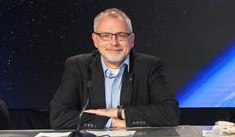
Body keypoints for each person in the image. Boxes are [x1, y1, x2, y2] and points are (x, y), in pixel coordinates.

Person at [50, 8, 179, 129]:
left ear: (132, 40)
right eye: (106, 35)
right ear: (95, 40)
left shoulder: (149, 66)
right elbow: (58, 117)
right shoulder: (77, 66)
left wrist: (118, 112)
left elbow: (170, 114)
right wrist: (111, 122)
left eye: (121, 35)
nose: (114, 42)